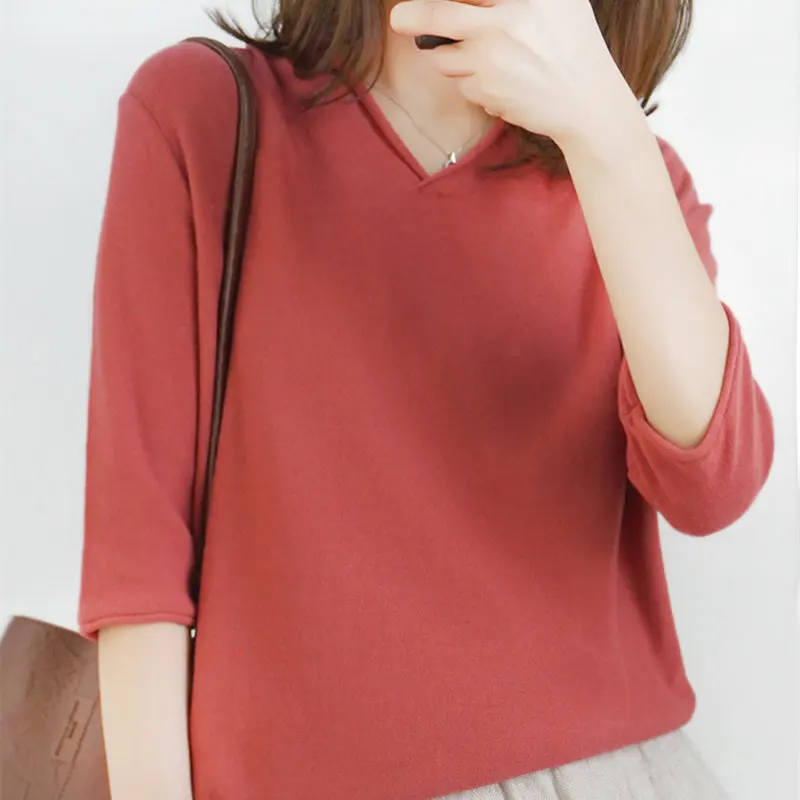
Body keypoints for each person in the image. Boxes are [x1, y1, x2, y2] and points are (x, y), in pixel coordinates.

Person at [76, 0, 774, 798]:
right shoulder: (204, 112)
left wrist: (608, 132)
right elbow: (140, 558)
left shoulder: (630, 176)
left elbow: (713, 486)